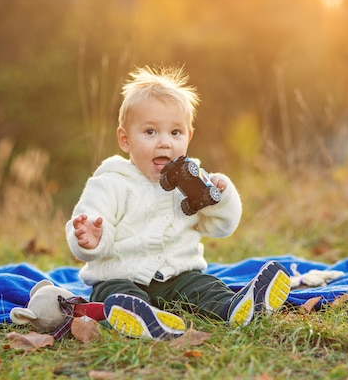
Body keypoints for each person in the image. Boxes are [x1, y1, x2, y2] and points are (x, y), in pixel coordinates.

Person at [66, 65, 291, 339]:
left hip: (179, 277)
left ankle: (236, 308)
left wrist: (219, 197)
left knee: (205, 287)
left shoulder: (192, 181)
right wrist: (90, 236)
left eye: (175, 133)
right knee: (113, 293)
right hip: (120, 275)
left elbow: (221, 227)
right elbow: (90, 219)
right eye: (150, 132)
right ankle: (142, 317)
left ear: (188, 136)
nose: (164, 143)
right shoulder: (111, 182)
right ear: (125, 139)